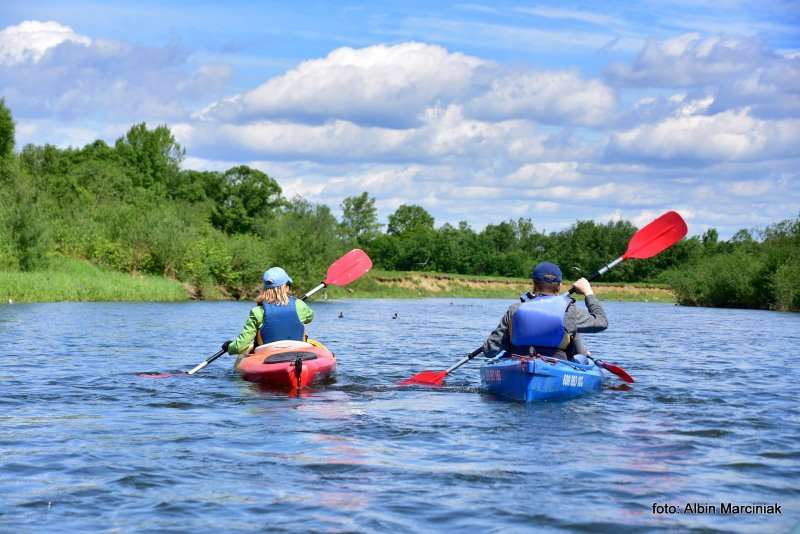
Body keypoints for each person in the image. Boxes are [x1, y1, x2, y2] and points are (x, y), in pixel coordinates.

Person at [480, 261, 607, 361]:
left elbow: (490, 351)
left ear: (534, 284)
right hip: (557, 365)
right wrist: (588, 292)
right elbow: (601, 322)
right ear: (559, 286)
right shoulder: (568, 311)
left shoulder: (515, 309)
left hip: (517, 362)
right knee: (573, 337)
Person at [222, 267, 314, 355]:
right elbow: (310, 318)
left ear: (265, 289)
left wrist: (229, 347)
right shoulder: (299, 305)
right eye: (289, 285)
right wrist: (296, 303)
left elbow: (240, 347)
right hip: (297, 350)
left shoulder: (257, 312)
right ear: (286, 287)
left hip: (268, 353)